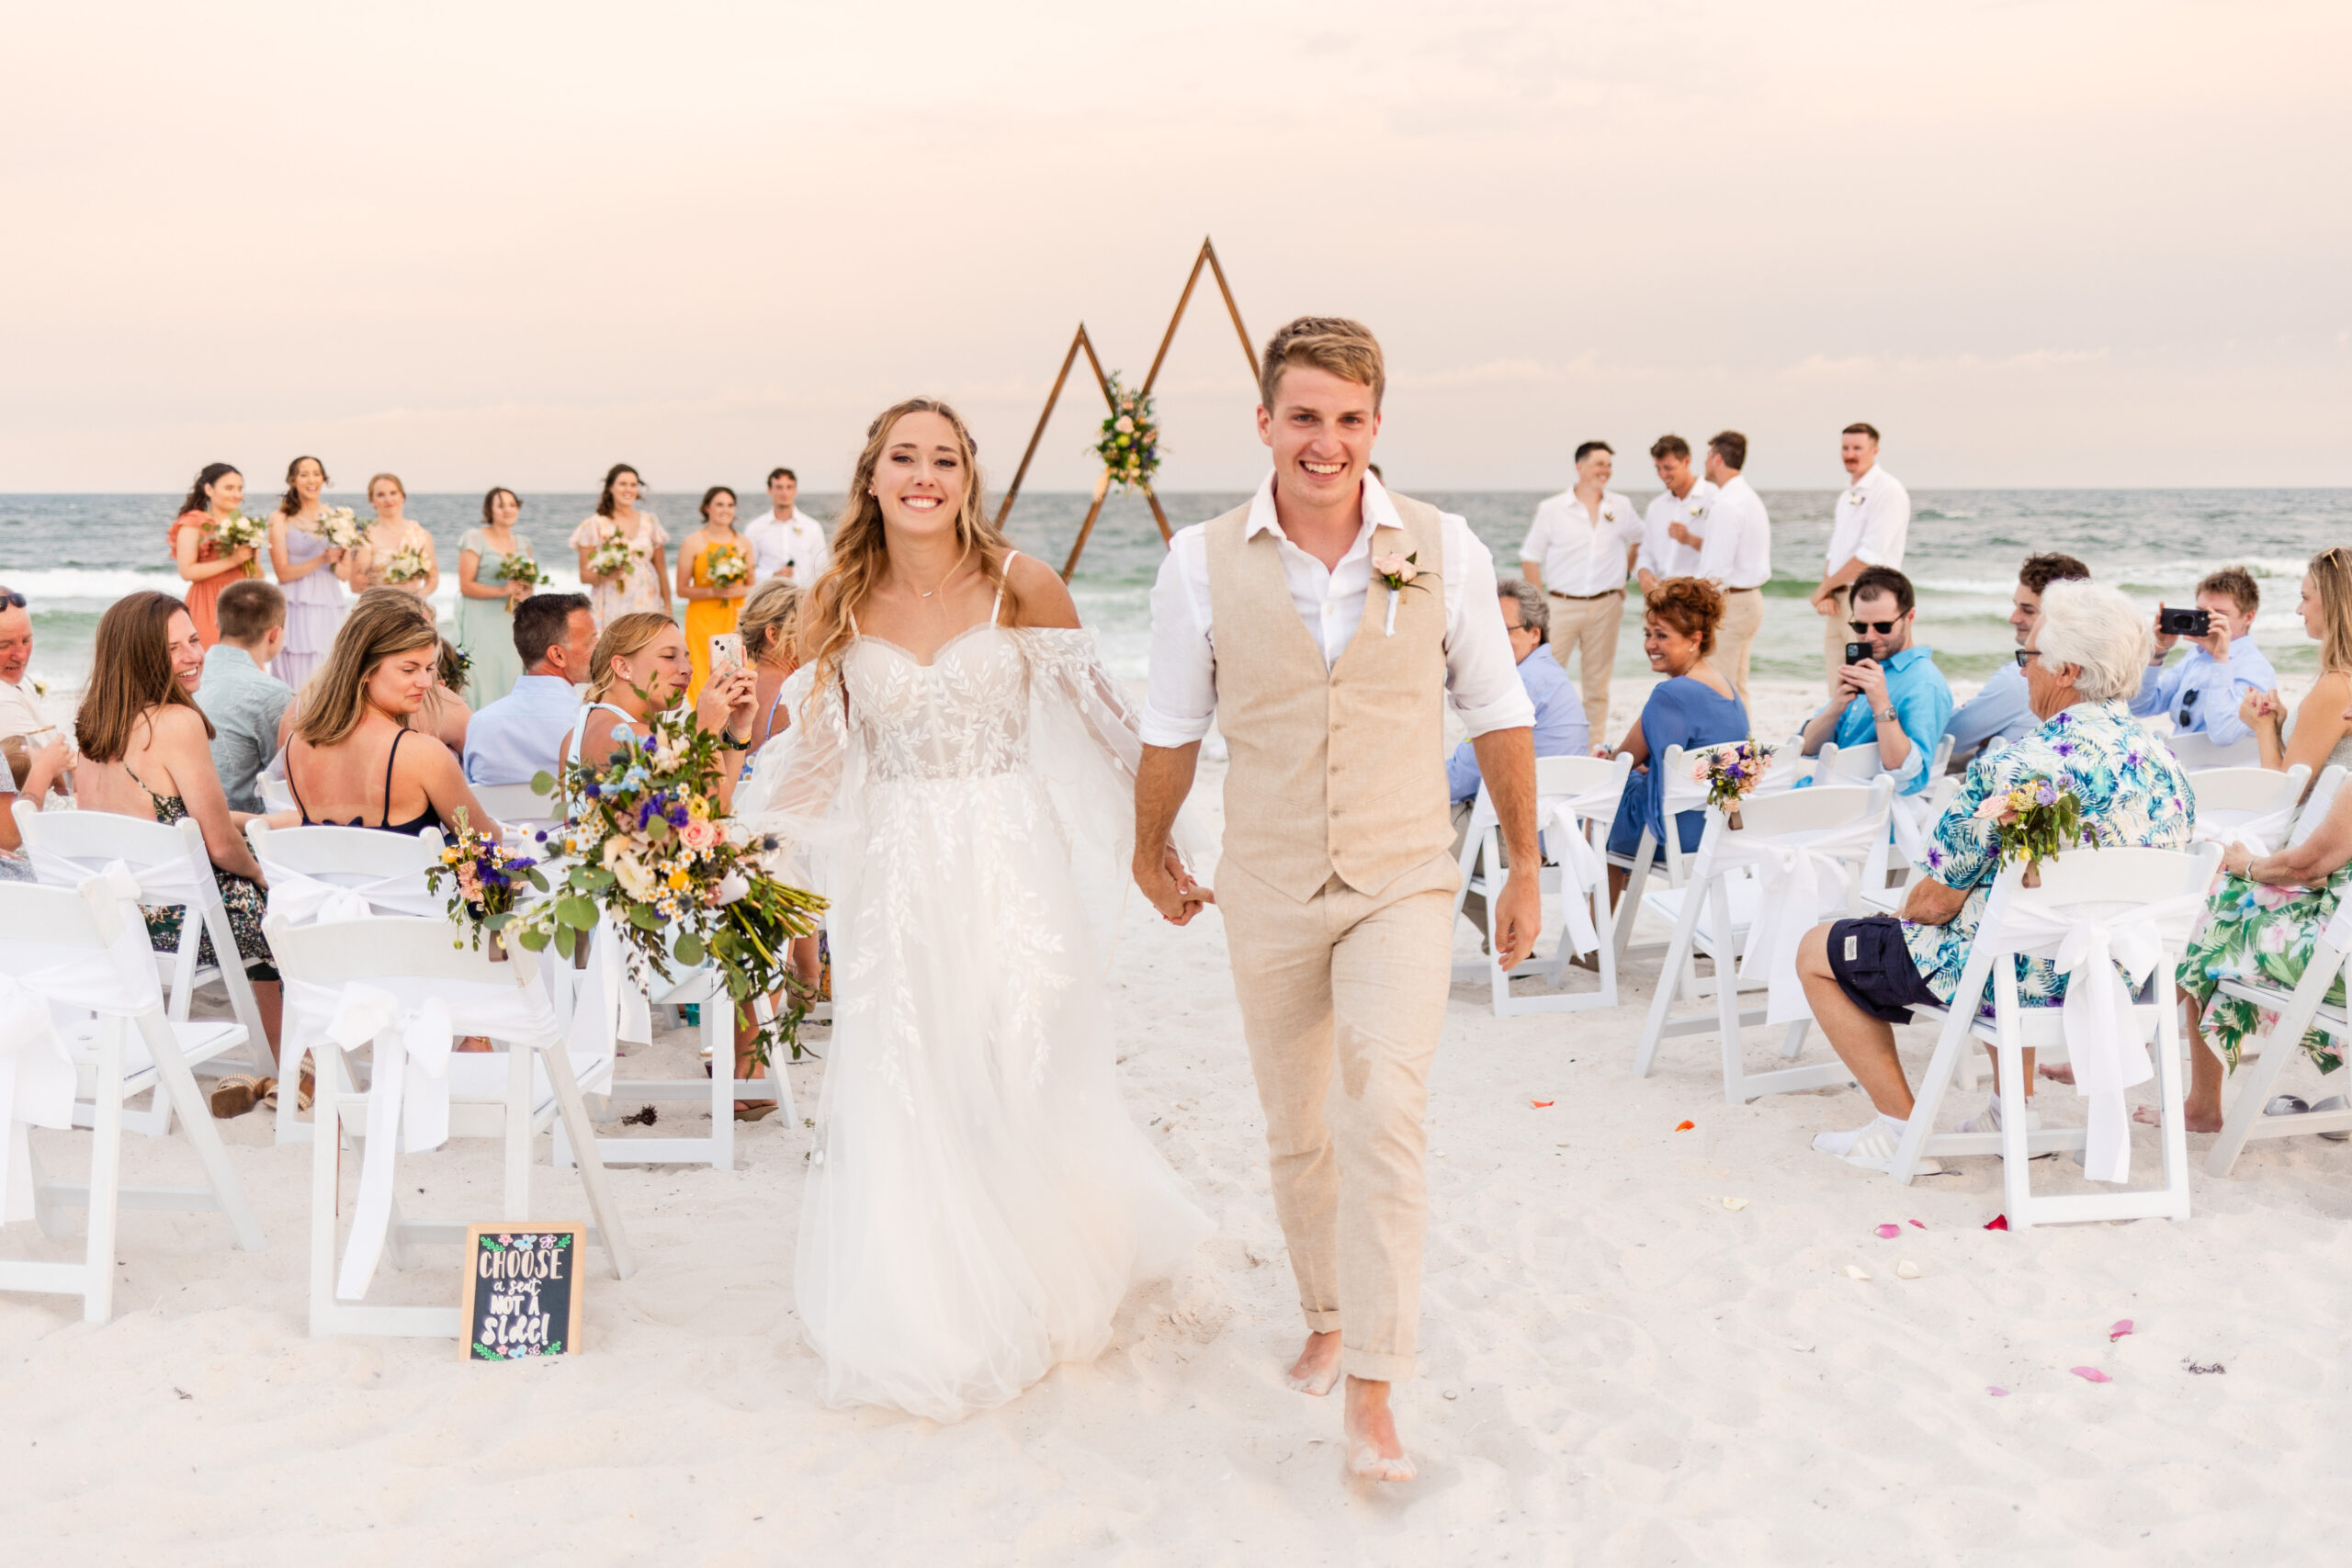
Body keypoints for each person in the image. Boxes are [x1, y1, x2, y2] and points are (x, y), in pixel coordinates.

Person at [737, 394, 1211, 1426]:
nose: (923, 475)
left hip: (1010, 857)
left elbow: (1109, 730)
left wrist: (1160, 843)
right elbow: (816, 772)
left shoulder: (1021, 585)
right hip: (899, 870)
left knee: (1025, 1051)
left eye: (943, 459)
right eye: (903, 457)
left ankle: (1046, 1270)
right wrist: (731, 845)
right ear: (870, 477)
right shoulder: (832, 604)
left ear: (967, 478)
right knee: (917, 1071)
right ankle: (942, 1298)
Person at [1132, 318, 1539, 1483]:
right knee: (1297, 1126)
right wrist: (1148, 844)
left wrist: (1520, 861)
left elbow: (1495, 707)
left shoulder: (1443, 548)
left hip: (1402, 874)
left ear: (1376, 426)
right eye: (1304, 417)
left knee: (1383, 1103)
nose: (1327, 443)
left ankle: (1373, 1385)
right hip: (1263, 880)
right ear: (1264, 423)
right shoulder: (1197, 561)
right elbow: (1172, 725)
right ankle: (1323, 1308)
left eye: (1349, 420)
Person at [1795, 581, 2193, 1168]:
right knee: (2008, 922)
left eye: (2027, 658)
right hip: (2117, 980)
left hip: (2020, 980)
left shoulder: (2016, 766)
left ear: (2066, 670)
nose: (2024, 672)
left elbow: (1933, 904)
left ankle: (1902, 1130)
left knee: (1817, 949)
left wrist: (1900, 911)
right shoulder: (2166, 765)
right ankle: (2010, 1111)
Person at [73, 592, 282, 1070]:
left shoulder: (93, 725)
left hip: (121, 920)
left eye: (194, 639)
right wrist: (261, 873)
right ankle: (284, 1065)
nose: (193, 655)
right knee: (283, 907)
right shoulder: (176, 722)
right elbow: (220, 846)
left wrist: (262, 823)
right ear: (140, 655)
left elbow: (168, 819)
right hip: (181, 923)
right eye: (172, 648)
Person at [2170, 717, 2352, 1133]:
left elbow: (2306, 866)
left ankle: (2192, 1098)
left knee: (2215, 925)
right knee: (2234, 904)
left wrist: (2246, 864)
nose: (2344, 714)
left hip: (2340, 967)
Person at [282, 592, 495, 838]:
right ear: (364, 669)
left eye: (429, 669)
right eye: (409, 670)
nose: (426, 682)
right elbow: (485, 841)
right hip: (408, 876)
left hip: (315, 877)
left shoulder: (295, 745)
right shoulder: (423, 754)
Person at [1600, 578, 1749, 906]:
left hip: (1676, 832)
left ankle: (1594, 939)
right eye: (1648, 634)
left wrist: (1616, 761)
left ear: (1694, 639)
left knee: (1597, 806)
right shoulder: (1726, 688)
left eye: (1662, 636)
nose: (1651, 644)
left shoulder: (1669, 694)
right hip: (1719, 827)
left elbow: (1623, 760)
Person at [733, 579, 824, 995]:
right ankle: (808, 979)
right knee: (800, 864)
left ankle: (791, 979)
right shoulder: (795, 694)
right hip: (781, 816)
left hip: (735, 812)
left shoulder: (734, 686)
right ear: (774, 635)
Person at [1518, 440, 1640, 742]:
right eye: (1599, 463)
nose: (1605, 470)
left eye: (1609, 465)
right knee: (1541, 677)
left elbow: (1641, 538)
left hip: (1606, 606)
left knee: (1597, 685)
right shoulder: (1552, 509)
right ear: (1580, 466)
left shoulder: (1620, 506)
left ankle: (1592, 749)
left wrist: (1624, 575)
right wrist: (1540, 604)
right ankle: (1536, 741)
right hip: (1560, 606)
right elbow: (1529, 556)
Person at [1797, 565, 1952, 797]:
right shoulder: (1870, 669)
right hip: (1828, 798)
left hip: (1868, 814)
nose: (1869, 637)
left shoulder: (1924, 683)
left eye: (1882, 626)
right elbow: (1805, 748)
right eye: (1860, 626)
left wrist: (1881, 706)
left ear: (1909, 617)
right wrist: (1837, 706)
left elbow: (1909, 779)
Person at [1944, 553, 2090, 761]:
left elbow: (1951, 737)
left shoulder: (2021, 677)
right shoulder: (2102, 673)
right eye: (2016, 606)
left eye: (2027, 610)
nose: (2014, 618)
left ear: (2061, 617)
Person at [1810, 423, 1911, 692]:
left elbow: (1869, 557)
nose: (1850, 454)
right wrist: (1828, 594)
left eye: (1857, 448)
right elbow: (1836, 550)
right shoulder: (1847, 495)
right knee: (1839, 685)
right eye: (1845, 448)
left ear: (1875, 450)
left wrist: (1822, 588)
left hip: (1870, 602)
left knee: (1865, 683)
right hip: (1841, 599)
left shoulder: (1888, 490)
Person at [2128, 565, 2272, 751]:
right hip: (2183, 766)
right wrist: (2157, 653)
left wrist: (2221, 660)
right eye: (2201, 613)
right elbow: (2140, 706)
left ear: (2248, 617)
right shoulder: (2195, 658)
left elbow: (2223, 734)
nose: (2208, 621)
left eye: (2218, 614)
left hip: (2224, 774)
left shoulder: (2256, 669)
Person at [2240, 548, 2352, 784]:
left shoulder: (2337, 685)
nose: (2299, 609)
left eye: (2305, 597)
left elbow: (2283, 795)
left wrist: (2262, 728)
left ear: (2333, 602)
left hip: (2311, 820)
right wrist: (2281, 726)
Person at [463, 592, 596, 785]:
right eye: (591, 641)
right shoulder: (589, 723)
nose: (599, 647)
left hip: (497, 816)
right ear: (557, 655)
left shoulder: (480, 724)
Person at [1679, 432, 1770, 701]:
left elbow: (1715, 573)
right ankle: (1745, 743)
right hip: (1748, 601)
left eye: (1707, 457)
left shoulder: (1728, 504)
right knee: (1736, 688)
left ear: (1717, 459)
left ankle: (1729, 744)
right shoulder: (1746, 497)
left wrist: (1695, 612)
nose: (1705, 463)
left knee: (1719, 689)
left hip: (1732, 605)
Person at [196, 579, 292, 813]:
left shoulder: (184, 677)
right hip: (247, 831)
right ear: (275, 634)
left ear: (217, 623)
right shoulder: (273, 695)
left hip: (182, 825)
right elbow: (287, 779)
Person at [0, 584, 73, 877]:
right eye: (4, 645)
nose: (20, 655)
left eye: (27, 640)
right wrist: (48, 768)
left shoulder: (16, 683)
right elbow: (9, 836)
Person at [265, 455, 352, 687]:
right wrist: (321, 558)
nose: (311, 480)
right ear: (293, 480)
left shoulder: (337, 518)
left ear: (324, 479)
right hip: (293, 602)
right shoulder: (280, 518)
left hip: (328, 600)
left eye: (316, 474)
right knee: (294, 664)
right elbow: (282, 573)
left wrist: (346, 554)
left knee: (328, 662)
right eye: (304, 474)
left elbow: (343, 575)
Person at [454, 487, 537, 707]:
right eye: (500, 505)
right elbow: (465, 585)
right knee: (479, 673)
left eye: (512, 505)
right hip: (480, 619)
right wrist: (503, 591)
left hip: (510, 621)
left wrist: (524, 593)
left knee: (510, 670)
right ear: (490, 510)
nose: (507, 510)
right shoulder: (475, 538)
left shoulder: (523, 543)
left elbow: (529, 586)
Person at [675, 485, 752, 702]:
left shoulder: (743, 543)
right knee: (703, 670)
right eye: (719, 504)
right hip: (703, 619)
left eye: (730, 505)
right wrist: (713, 590)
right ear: (707, 508)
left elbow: (751, 586)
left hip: (736, 617)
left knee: (738, 670)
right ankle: (707, 726)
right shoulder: (693, 542)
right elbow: (682, 589)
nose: (725, 510)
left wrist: (739, 590)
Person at [569, 463, 670, 627]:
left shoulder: (649, 521)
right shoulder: (595, 524)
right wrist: (607, 575)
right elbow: (584, 575)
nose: (628, 489)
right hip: (610, 601)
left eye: (633, 485)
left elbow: (661, 569)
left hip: (646, 599)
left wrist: (668, 608)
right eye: (623, 484)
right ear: (610, 487)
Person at [170, 462, 259, 648]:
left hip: (242, 603)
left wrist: (251, 559)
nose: (237, 494)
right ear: (209, 489)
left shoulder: (244, 525)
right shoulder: (193, 522)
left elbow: (257, 576)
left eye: (240, 488)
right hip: (208, 604)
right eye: (229, 488)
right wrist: (233, 559)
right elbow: (187, 571)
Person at [1634, 434, 1715, 595]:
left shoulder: (1714, 499)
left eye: (1668, 468)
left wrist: (1690, 539)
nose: (1663, 475)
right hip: (1661, 597)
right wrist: (1643, 573)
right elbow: (1646, 551)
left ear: (1686, 461)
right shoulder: (1656, 507)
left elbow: (1723, 552)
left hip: (1698, 597)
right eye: (1658, 468)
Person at [348, 473, 439, 601]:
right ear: (372, 500)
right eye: (381, 495)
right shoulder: (364, 537)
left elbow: (433, 578)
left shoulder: (421, 535)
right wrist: (396, 595)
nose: (388, 500)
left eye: (393, 493)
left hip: (414, 607)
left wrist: (422, 593)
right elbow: (355, 585)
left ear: (402, 496)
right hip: (378, 608)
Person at [744, 467, 830, 583]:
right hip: (768, 597)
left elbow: (822, 567)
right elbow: (748, 570)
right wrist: (772, 574)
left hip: (803, 596)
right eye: (779, 487)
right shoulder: (755, 528)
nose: (784, 493)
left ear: (795, 490)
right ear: (769, 490)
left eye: (789, 487)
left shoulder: (813, 527)